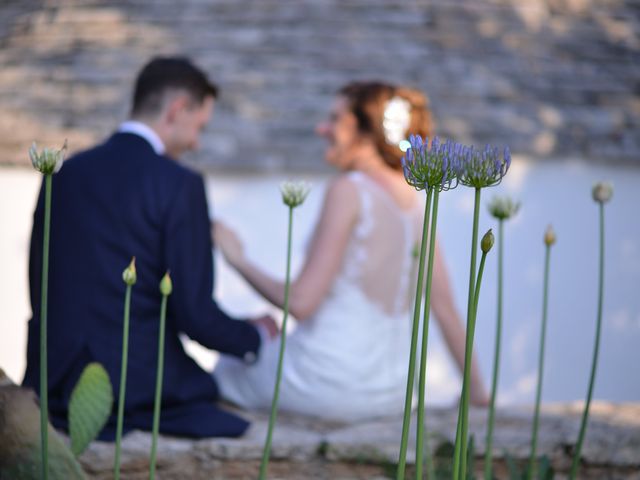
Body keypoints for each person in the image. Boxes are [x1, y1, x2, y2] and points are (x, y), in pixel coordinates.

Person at [23, 56, 276, 439]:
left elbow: (39, 284)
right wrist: (254, 336)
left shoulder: (63, 172)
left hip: (54, 383)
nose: (197, 142)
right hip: (136, 386)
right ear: (178, 110)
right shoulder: (179, 184)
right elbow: (195, 316)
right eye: (199, 127)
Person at [213, 81, 489, 421]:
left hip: (324, 383)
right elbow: (445, 308)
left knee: (227, 369)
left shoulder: (348, 190)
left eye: (335, 119)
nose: (322, 128)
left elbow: (301, 302)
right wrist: (477, 394)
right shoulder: (414, 201)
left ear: (366, 130)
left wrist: (237, 258)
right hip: (392, 393)